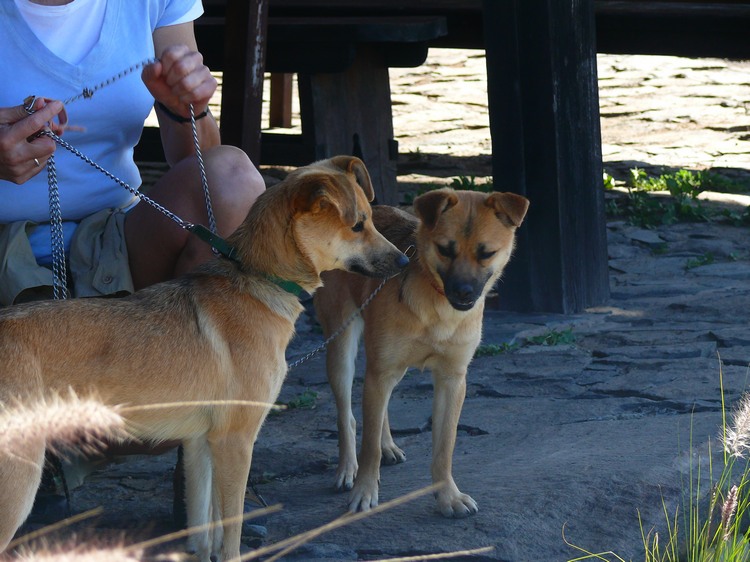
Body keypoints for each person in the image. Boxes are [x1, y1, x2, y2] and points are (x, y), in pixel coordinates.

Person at [0, 0, 266, 527]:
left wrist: (182, 108)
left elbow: (202, 171)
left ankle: (204, 458)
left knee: (233, 180)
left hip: (111, 242)